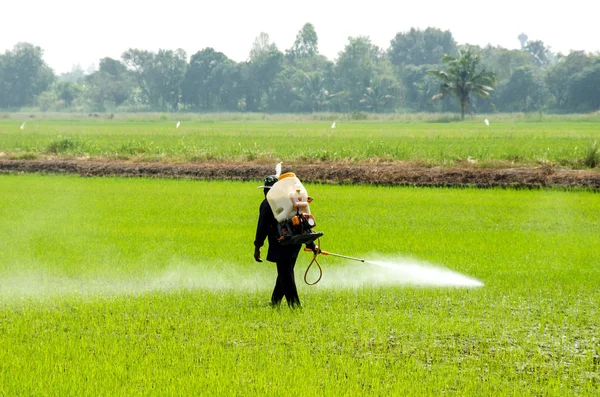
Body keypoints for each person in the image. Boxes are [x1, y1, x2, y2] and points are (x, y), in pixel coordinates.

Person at [254, 175, 318, 308]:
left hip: (281, 243)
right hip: (295, 242)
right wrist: (311, 244)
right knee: (285, 273)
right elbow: (302, 224)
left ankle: (295, 306)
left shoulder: (267, 203)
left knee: (286, 274)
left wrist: (257, 246)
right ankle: (275, 302)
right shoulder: (290, 200)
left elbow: (262, 227)